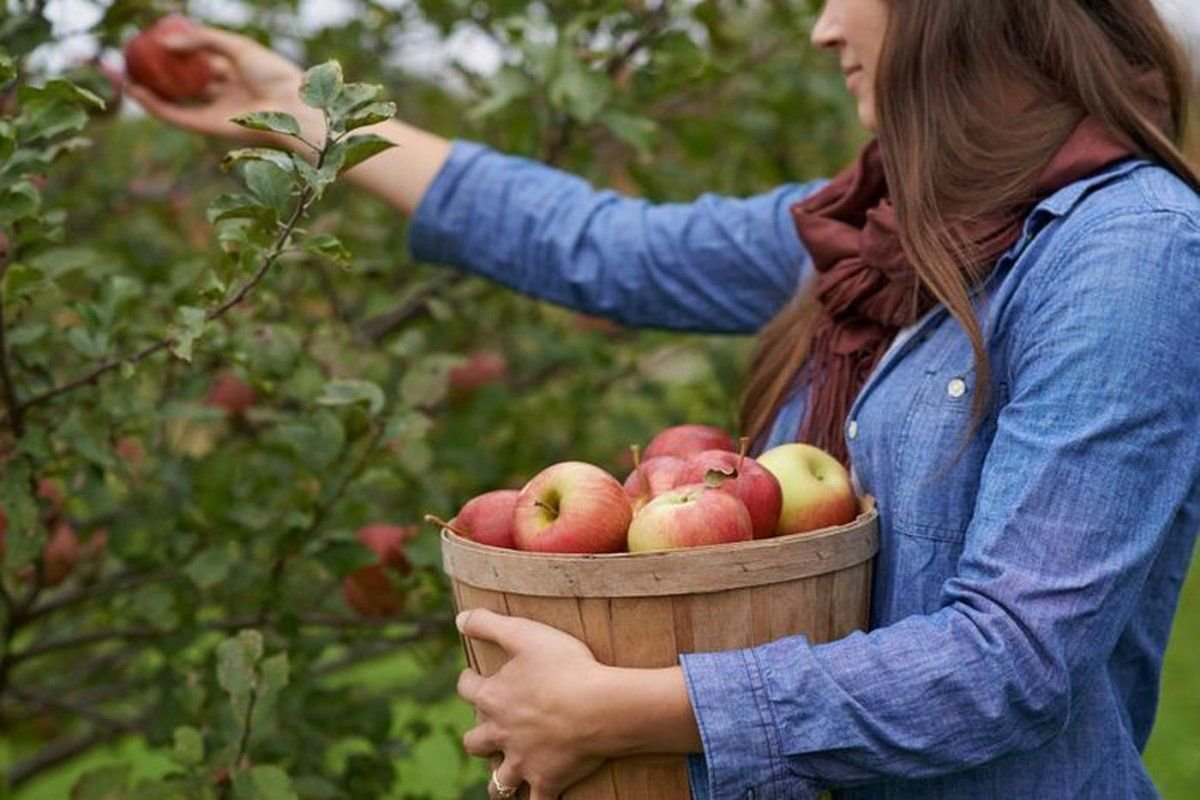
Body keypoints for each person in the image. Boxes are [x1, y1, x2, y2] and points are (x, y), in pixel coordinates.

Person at [130, 0, 1200, 798]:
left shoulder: (1127, 250)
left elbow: (1013, 658)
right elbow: (599, 243)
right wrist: (299, 114)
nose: (824, 30)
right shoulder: (871, 232)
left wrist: (624, 711)